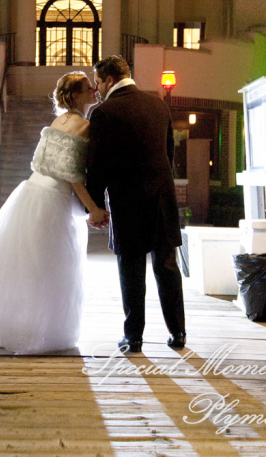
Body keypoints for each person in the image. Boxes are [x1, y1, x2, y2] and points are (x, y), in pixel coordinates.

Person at [0, 72, 108, 354]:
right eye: (87, 87)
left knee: (26, 265)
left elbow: (46, 164)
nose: (94, 90)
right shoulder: (84, 126)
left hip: (32, 192)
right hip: (53, 200)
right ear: (75, 95)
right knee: (49, 268)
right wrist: (94, 209)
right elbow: (72, 175)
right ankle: (40, 333)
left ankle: (15, 329)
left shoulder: (58, 121)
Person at [86, 55, 185, 354]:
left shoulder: (104, 112)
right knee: (167, 266)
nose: (96, 89)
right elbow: (168, 153)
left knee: (131, 270)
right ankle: (178, 332)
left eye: (98, 82)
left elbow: (98, 165)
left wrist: (93, 206)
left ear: (110, 80)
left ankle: (134, 337)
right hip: (162, 197)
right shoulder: (158, 105)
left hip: (127, 200)